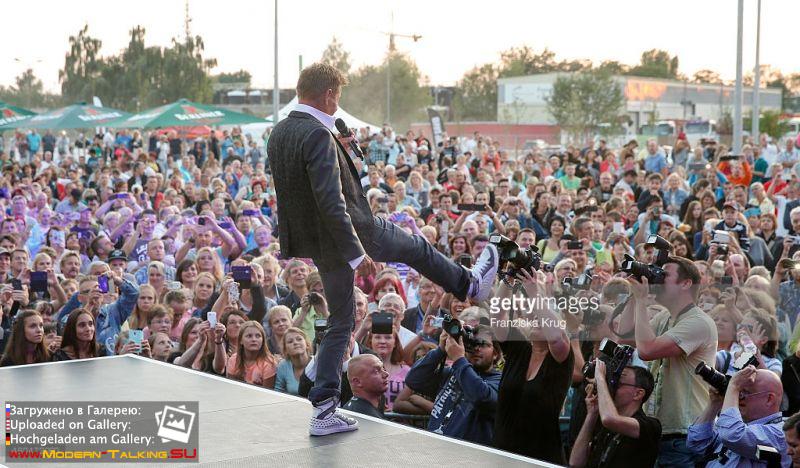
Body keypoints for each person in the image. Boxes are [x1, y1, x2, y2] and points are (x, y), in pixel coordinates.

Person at [267, 62, 498, 436]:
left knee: (341, 321)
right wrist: (358, 253)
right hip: (354, 230)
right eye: (337, 97)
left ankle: (324, 407)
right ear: (328, 94)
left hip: (317, 240)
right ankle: (468, 284)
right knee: (417, 249)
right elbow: (331, 201)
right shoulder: (316, 135)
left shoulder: (280, 132)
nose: (337, 105)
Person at [617, 255, 718, 466]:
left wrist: (643, 301)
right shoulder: (666, 317)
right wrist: (634, 296)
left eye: (665, 275)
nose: (658, 280)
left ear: (686, 283)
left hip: (684, 435)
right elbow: (625, 336)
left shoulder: (699, 322)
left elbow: (646, 350)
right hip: (661, 431)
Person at [489, 269, 573, 463]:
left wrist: (535, 292)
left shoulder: (560, 359)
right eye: (534, 315)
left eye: (542, 316)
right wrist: (508, 278)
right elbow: (497, 317)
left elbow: (556, 336)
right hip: (502, 454)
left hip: (541, 457)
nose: (536, 318)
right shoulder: (519, 349)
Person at [403, 324, 501, 446]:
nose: (476, 349)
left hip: (469, 458)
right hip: (435, 450)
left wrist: (459, 359)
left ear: (495, 353)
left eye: (483, 344)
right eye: (472, 344)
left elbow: (482, 398)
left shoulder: (500, 381)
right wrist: (440, 350)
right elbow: (414, 380)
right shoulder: (451, 373)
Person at [688, 366, 790, 467]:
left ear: (769, 399)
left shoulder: (781, 432)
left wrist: (734, 387)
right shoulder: (739, 424)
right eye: (738, 392)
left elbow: (732, 435)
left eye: (744, 393)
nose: (738, 398)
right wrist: (715, 403)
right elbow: (697, 443)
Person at [570, 362, 662, 468]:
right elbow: (575, 462)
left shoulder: (650, 425)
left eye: (618, 383)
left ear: (638, 394)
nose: (611, 386)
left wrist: (600, 378)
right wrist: (592, 414)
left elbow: (610, 419)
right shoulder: (606, 430)